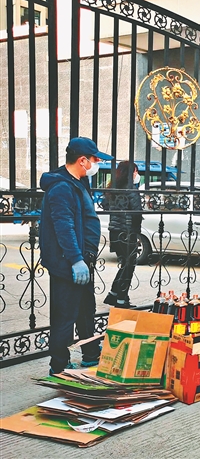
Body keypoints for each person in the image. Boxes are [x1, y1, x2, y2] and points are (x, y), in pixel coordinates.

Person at [40, 137, 113, 374]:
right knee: (65, 316)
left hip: (83, 260)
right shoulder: (61, 187)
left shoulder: (78, 181)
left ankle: (90, 353)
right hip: (69, 264)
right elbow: (64, 226)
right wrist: (75, 259)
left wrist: (84, 258)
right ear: (82, 160)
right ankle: (59, 365)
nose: (97, 164)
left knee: (85, 311)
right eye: (95, 160)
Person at [103, 161, 143, 309]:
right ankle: (121, 300)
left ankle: (114, 294)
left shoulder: (113, 189)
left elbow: (105, 205)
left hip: (114, 231)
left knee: (125, 264)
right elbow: (137, 213)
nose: (137, 175)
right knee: (129, 265)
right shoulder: (131, 190)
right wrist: (137, 233)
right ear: (130, 173)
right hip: (127, 231)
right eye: (135, 171)